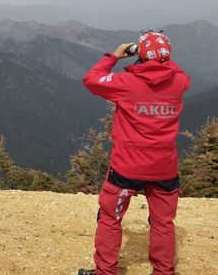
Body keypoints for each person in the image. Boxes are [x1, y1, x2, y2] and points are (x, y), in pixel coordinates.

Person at [79, 30, 191, 275]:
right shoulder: (180, 82)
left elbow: (91, 79)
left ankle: (106, 271)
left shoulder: (125, 83)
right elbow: (177, 71)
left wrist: (116, 55)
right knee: (163, 222)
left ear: (139, 54)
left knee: (110, 217)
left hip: (126, 166)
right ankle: (163, 271)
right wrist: (160, 56)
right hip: (164, 167)